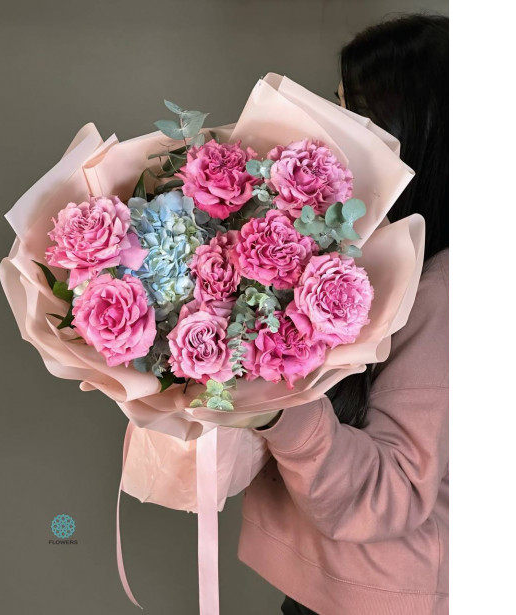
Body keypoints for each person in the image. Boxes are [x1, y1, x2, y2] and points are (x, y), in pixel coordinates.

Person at [238, 14, 448, 615]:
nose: (328, 130)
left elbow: (392, 492)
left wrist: (277, 402)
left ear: (415, 130)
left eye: (353, 113)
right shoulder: (364, 250)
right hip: (333, 587)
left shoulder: (449, 290)